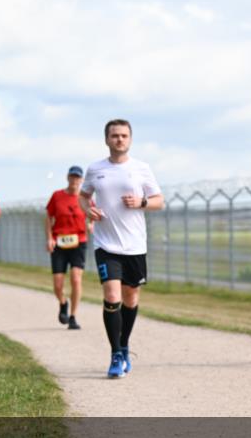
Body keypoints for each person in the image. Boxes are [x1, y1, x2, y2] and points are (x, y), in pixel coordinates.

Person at [79, 119, 164, 378]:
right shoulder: (95, 169)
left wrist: (142, 201)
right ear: (106, 139)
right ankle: (115, 353)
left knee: (131, 298)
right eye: (114, 135)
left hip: (135, 245)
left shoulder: (141, 168)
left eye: (124, 136)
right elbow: (83, 196)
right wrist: (87, 209)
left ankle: (124, 344)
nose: (119, 140)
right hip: (106, 244)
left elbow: (159, 201)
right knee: (112, 296)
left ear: (130, 139)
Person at [46, 165, 89, 330]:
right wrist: (49, 238)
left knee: (76, 279)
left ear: (82, 180)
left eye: (78, 178)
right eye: (72, 177)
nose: (74, 180)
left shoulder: (85, 198)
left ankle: (73, 316)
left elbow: (92, 214)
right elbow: (48, 217)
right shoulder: (57, 196)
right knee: (58, 284)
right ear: (67, 178)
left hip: (79, 242)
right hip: (59, 242)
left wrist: (91, 224)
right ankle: (63, 303)